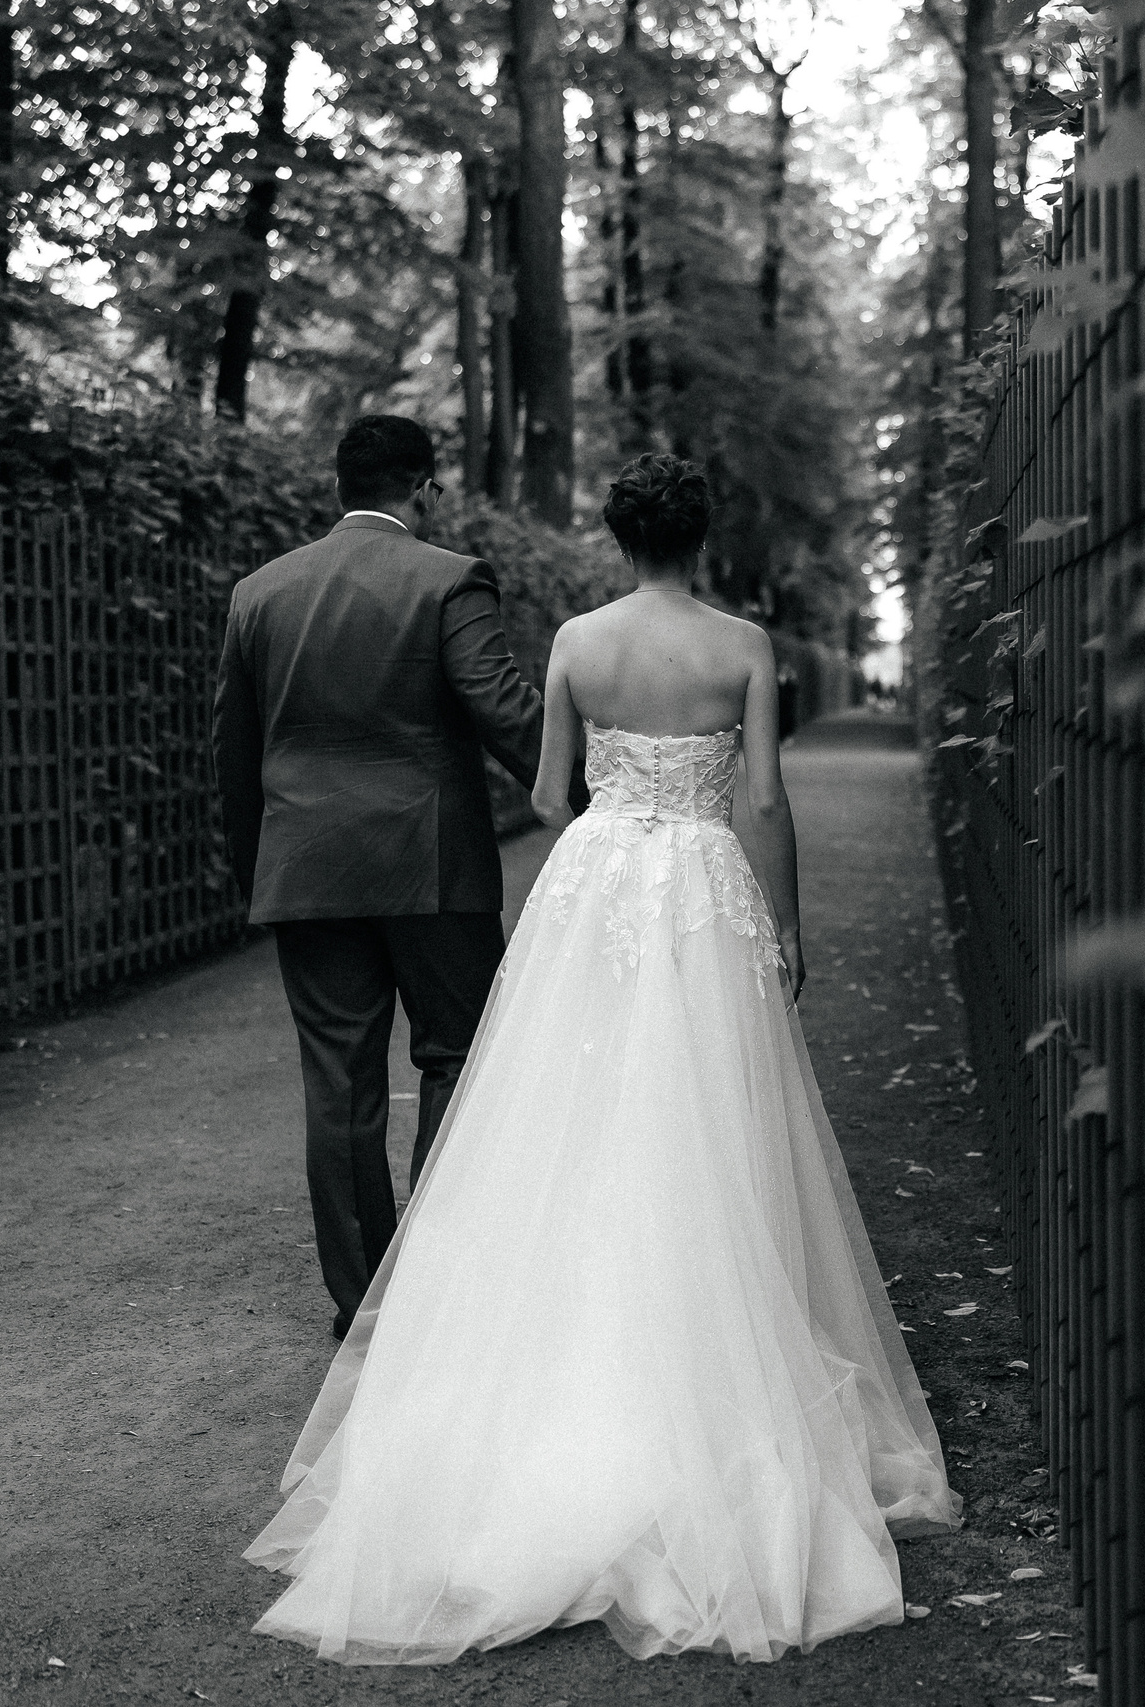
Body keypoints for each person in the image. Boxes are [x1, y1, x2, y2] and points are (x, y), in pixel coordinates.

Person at [243, 452, 962, 1665]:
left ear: (618, 535)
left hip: (597, 881)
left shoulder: (574, 636)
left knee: (573, 1106)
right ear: (703, 533)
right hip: (699, 877)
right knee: (706, 1109)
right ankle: (710, 1339)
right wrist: (784, 923)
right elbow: (768, 801)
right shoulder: (743, 645)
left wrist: (607, 817)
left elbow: (544, 787)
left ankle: (563, 1362)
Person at [211, 415, 543, 1341]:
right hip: (433, 867)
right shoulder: (450, 579)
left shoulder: (259, 593)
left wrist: (262, 876)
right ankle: (440, 1279)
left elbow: (235, 756)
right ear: (424, 489)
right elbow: (501, 709)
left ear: (339, 490)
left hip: (307, 874)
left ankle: (364, 1305)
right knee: (459, 1058)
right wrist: (605, 791)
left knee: (339, 1082)